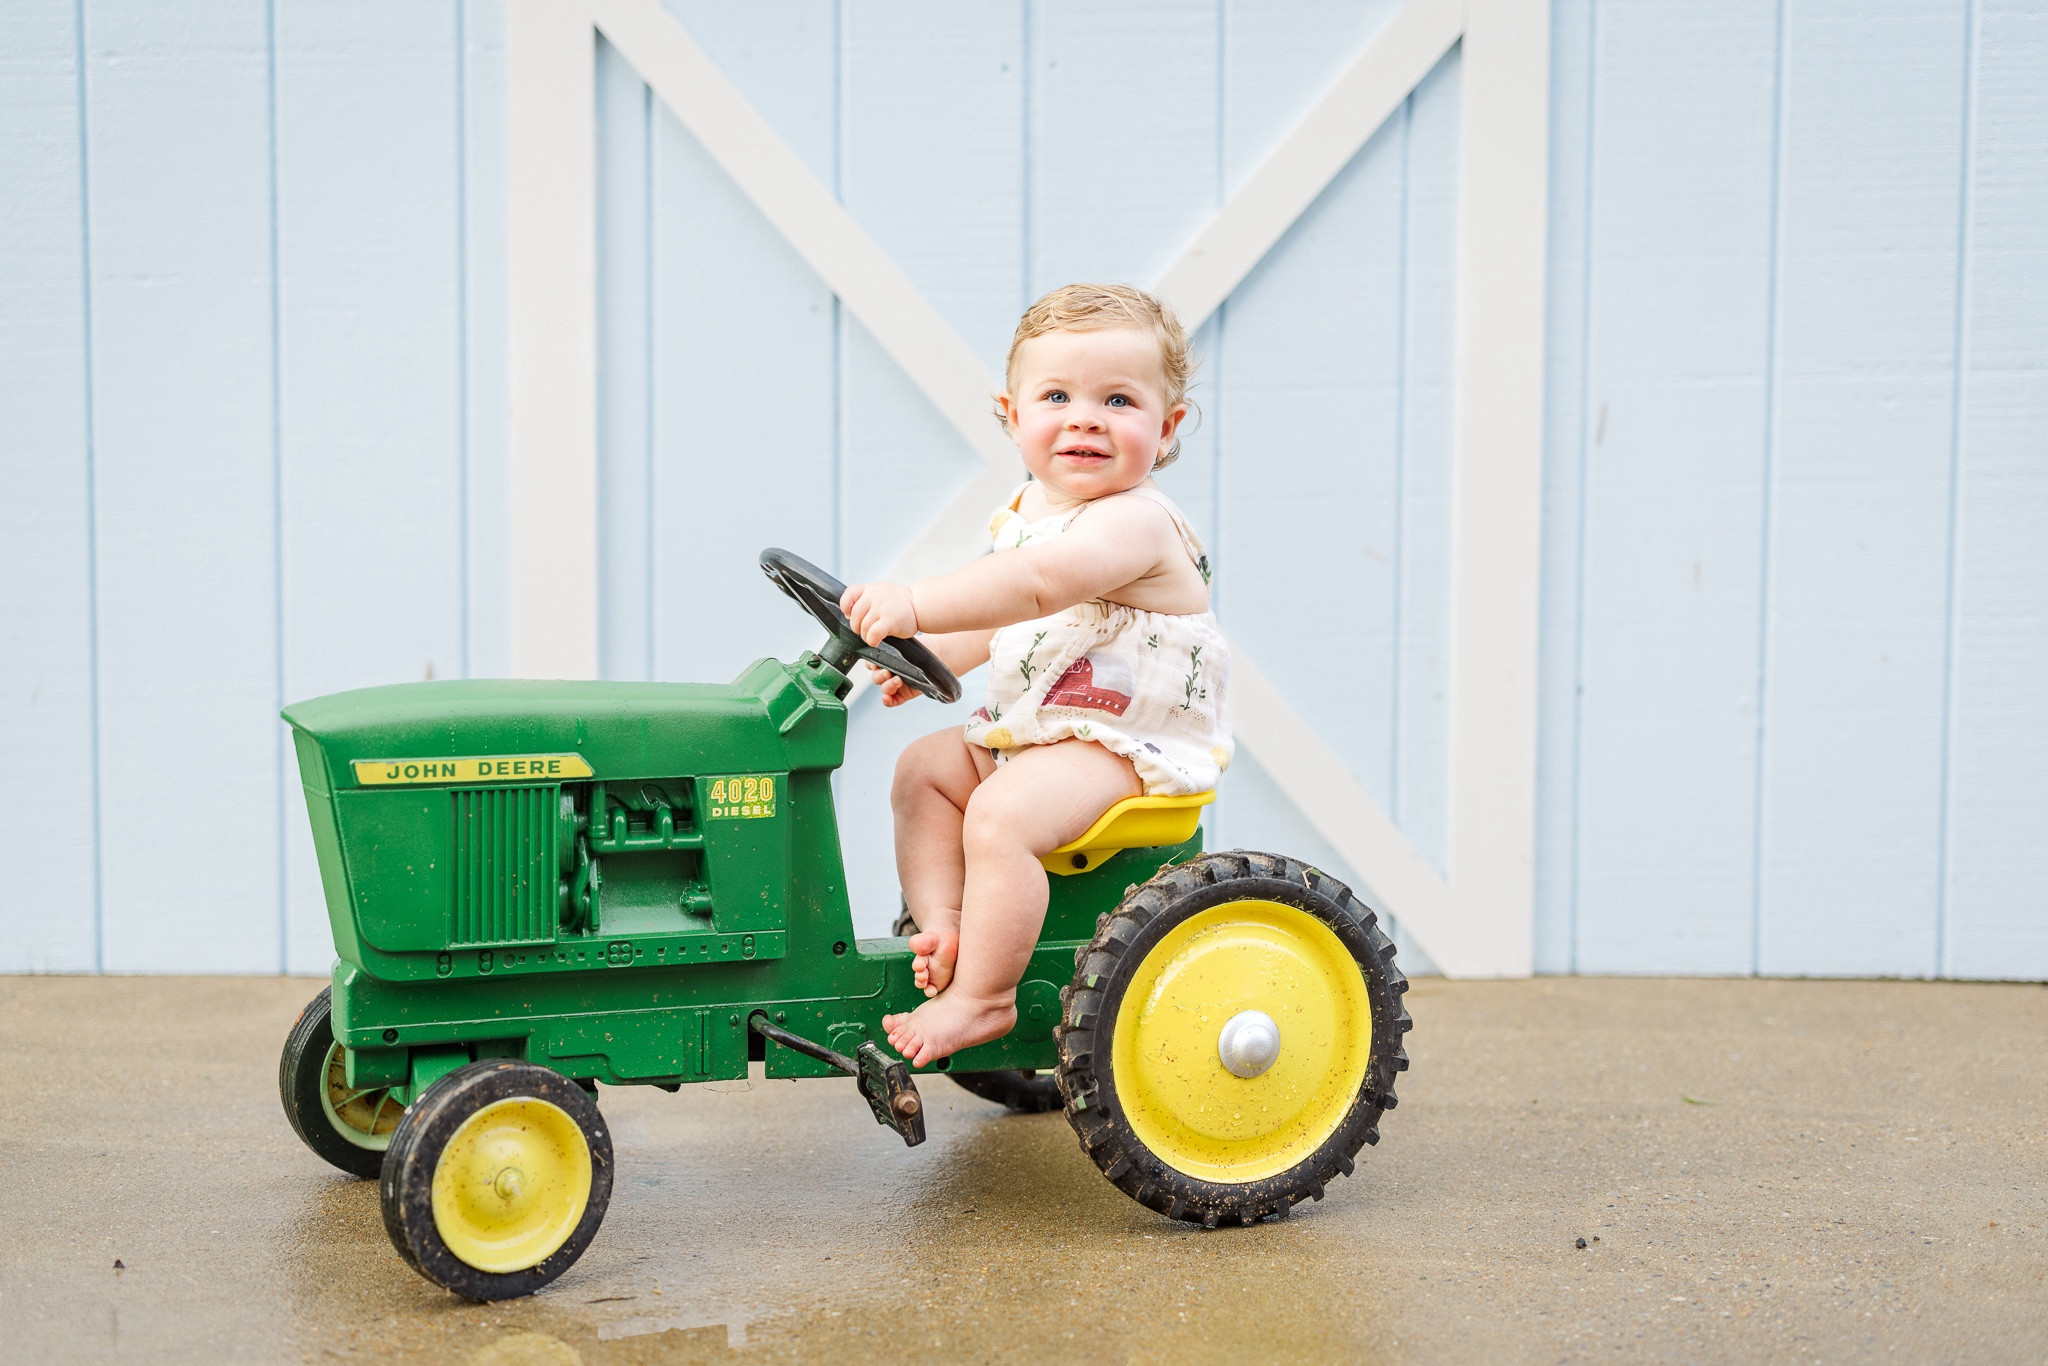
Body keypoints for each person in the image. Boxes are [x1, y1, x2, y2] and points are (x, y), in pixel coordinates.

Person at [838, 283, 1233, 1066]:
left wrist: (915, 604)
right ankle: (946, 922)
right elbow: (1012, 616)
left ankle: (983, 999)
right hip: (1044, 732)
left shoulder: (1136, 522)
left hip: (1124, 745)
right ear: (1014, 416)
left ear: (1167, 426)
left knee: (999, 816)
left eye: (1119, 399)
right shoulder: (1032, 510)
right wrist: (934, 660)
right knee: (923, 770)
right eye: (1057, 395)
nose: (1086, 417)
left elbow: (1039, 586)